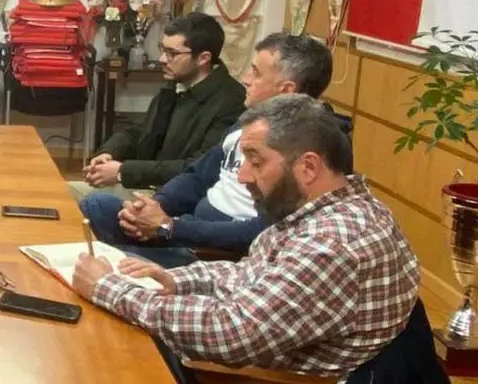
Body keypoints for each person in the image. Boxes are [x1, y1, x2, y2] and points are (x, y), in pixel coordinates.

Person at [71, 95, 420, 379]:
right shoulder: (329, 209)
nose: (243, 176)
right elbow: (251, 273)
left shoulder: (330, 244)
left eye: (256, 161)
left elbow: (231, 332)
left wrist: (110, 289)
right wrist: (176, 281)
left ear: (309, 166)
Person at [79, 34, 353, 267]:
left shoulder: (310, 145)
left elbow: (267, 231)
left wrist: (171, 228)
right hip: (185, 230)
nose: (245, 79)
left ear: (287, 90)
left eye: (256, 72)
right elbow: (198, 175)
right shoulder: (250, 121)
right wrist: (156, 206)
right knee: (97, 206)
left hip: (215, 253)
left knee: (101, 261)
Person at [73, 13, 246, 197]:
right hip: (148, 186)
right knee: (66, 194)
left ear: (203, 58)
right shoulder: (178, 84)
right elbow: (139, 131)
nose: (162, 59)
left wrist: (122, 171)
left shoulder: (231, 102)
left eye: (173, 53)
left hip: (179, 199)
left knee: (81, 200)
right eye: (163, 49)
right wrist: (109, 152)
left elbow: (197, 167)